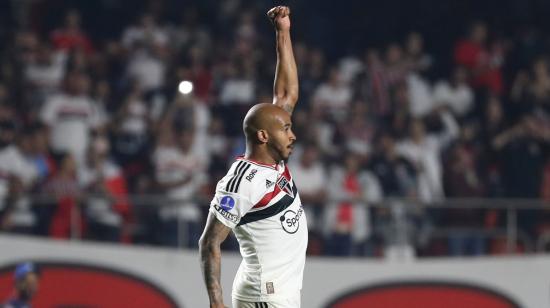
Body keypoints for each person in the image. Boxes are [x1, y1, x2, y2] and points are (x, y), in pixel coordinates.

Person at [199, 6, 306, 308]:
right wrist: (216, 303)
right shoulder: (241, 182)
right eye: (286, 129)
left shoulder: (275, 159)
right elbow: (210, 243)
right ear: (263, 136)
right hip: (264, 296)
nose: (293, 134)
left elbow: (287, 93)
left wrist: (282, 32)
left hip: (280, 292)